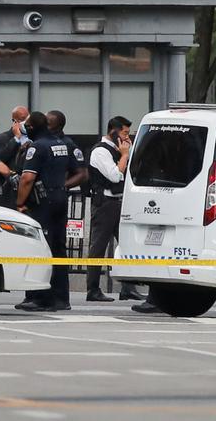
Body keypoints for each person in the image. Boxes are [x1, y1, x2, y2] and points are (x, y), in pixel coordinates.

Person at [14, 112, 86, 312]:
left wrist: (19, 203)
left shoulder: (39, 146)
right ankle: (61, 297)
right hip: (59, 199)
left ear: (33, 127)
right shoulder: (60, 144)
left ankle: (42, 297)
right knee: (58, 249)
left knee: (40, 248)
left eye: (27, 125)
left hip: (42, 202)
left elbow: (27, 178)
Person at [86, 116, 144, 302]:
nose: (127, 137)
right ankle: (93, 289)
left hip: (121, 202)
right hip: (105, 203)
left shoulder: (120, 149)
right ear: (114, 131)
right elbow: (114, 176)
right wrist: (125, 155)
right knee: (98, 247)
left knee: (127, 245)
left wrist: (128, 151)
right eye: (125, 132)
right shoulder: (100, 152)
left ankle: (128, 287)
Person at [0, 106, 30, 208]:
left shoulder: (33, 137)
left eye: (28, 118)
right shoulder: (1, 139)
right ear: (15, 121)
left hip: (29, 190)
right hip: (9, 191)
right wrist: (16, 139)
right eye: (22, 119)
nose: (26, 122)